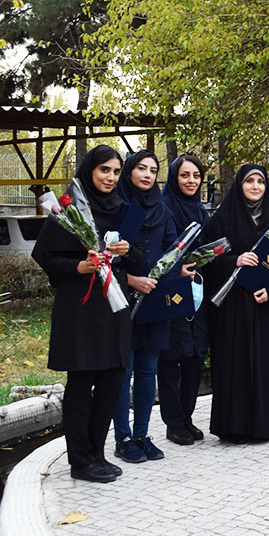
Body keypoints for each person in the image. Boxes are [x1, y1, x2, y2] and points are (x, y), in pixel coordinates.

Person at [32, 145, 142, 483]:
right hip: (80, 309)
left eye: (116, 171)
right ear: (89, 170)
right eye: (104, 170)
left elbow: (139, 258)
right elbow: (45, 256)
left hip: (113, 307)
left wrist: (128, 251)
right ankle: (80, 461)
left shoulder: (122, 209)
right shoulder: (70, 211)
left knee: (111, 382)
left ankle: (97, 454)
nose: (111, 177)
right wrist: (78, 266)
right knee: (82, 384)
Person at [202, 164, 269, 443]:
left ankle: (265, 427)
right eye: (249, 181)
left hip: (263, 307)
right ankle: (234, 428)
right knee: (235, 365)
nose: (255, 187)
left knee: (265, 366)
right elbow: (207, 261)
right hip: (233, 308)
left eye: (260, 182)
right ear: (239, 184)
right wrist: (235, 260)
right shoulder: (222, 219)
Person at [113, 150, 178, 463]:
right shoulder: (117, 206)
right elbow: (106, 255)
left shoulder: (162, 210)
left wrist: (174, 273)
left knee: (148, 370)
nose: (147, 175)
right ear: (129, 171)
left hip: (154, 299)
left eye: (153, 170)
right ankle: (123, 438)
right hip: (121, 299)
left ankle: (142, 434)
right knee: (123, 371)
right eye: (141, 168)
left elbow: (172, 250)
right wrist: (130, 280)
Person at [158, 155, 209, 446]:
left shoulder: (201, 211)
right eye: (185, 175)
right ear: (174, 178)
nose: (191, 181)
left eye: (196, 176)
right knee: (171, 357)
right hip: (171, 291)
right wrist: (176, 269)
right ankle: (173, 422)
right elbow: (158, 250)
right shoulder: (163, 208)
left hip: (198, 291)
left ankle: (187, 417)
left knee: (194, 355)